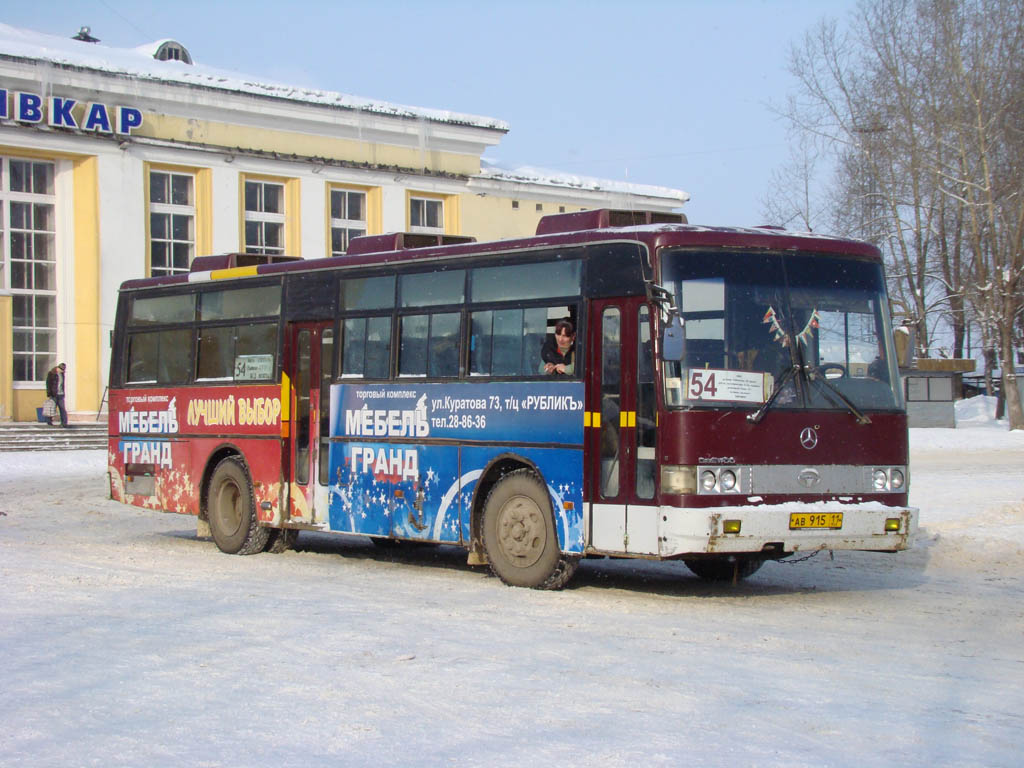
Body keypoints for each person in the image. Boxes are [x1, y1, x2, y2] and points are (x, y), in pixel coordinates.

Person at [45, 362, 68, 428]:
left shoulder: (62, 374)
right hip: (53, 394)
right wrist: (49, 393)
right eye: (62, 370)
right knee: (51, 408)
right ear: (58, 368)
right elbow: (48, 384)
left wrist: (63, 393)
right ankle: (49, 421)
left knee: (62, 408)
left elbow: (62, 385)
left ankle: (64, 423)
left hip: (60, 394)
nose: (63, 371)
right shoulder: (51, 374)